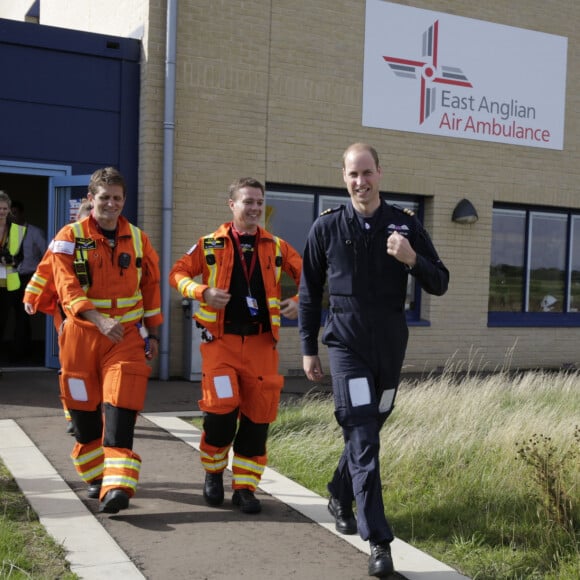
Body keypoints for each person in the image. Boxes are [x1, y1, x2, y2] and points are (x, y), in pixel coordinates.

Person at [298, 143, 449, 578]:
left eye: (367, 172)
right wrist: (309, 347)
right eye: (352, 174)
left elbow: (440, 281)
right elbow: (309, 293)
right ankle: (379, 542)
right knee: (363, 434)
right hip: (345, 342)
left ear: (380, 173)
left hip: (389, 342)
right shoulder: (325, 227)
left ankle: (338, 493)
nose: (360, 182)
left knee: (373, 422)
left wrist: (412, 258)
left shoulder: (405, 224)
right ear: (343, 177)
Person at [169, 177, 302, 514]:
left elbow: (309, 277)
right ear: (232, 204)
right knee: (220, 415)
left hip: (261, 346)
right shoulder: (210, 244)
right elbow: (177, 274)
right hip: (221, 345)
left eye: (259, 202)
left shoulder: (277, 247)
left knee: (258, 422)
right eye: (248, 202)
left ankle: (245, 488)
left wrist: (298, 300)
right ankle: (213, 473)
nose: (255, 208)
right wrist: (202, 292)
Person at [48, 167, 162, 514]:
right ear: (90, 199)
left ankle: (118, 488)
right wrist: (97, 318)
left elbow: (151, 289)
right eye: (104, 197)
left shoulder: (140, 240)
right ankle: (96, 477)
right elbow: (66, 286)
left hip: (125, 339)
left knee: (120, 410)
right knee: (84, 422)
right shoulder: (68, 237)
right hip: (81, 338)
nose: (111, 204)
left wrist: (152, 332)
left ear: (124, 200)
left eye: (117, 198)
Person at [23, 199, 93, 434]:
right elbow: (45, 269)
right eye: (87, 219)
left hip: (97, 316)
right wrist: (31, 297)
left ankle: (92, 412)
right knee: (70, 369)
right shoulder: (64, 241)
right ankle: (72, 415)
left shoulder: (109, 242)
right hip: (67, 313)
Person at [9, 200, 47, 361]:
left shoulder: (34, 233)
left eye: (15, 213)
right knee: (11, 313)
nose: (12, 217)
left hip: (27, 277)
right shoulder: (6, 233)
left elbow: (47, 254)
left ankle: (22, 352)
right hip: (9, 276)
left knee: (23, 315)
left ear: (22, 213)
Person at [0, 191, 28, 361]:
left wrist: (11, 259)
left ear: (9, 210)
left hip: (7, 284)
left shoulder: (16, 230)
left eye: (4, 208)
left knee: (1, 324)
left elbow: (20, 256)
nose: (1, 211)